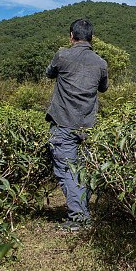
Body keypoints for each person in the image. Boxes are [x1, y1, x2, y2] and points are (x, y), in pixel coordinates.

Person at [45, 18, 108, 231]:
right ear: (91, 37)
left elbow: (49, 73)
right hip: (88, 126)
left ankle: (79, 219)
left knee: (66, 170)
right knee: (83, 169)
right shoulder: (101, 63)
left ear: (72, 36)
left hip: (63, 124)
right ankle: (81, 210)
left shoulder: (62, 55)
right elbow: (103, 88)